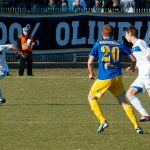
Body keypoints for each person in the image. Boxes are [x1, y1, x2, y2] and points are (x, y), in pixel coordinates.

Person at [88, 24, 143, 134]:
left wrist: (91, 74)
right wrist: (132, 68)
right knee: (124, 102)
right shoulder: (119, 44)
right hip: (117, 77)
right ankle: (137, 126)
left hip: (104, 77)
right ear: (113, 34)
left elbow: (90, 62)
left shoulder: (98, 44)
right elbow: (133, 59)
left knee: (91, 98)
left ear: (102, 34)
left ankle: (102, 121)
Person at [125, 26, 150, 122]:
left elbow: (148, 52)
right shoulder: (134, 47)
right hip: (142, 74)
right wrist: (133, 68)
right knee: (130, 93)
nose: (125, 36)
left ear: (130, 33)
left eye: (126, 34)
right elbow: (141, 61)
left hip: (147, 72)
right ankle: (145, 114)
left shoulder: (140, 42)